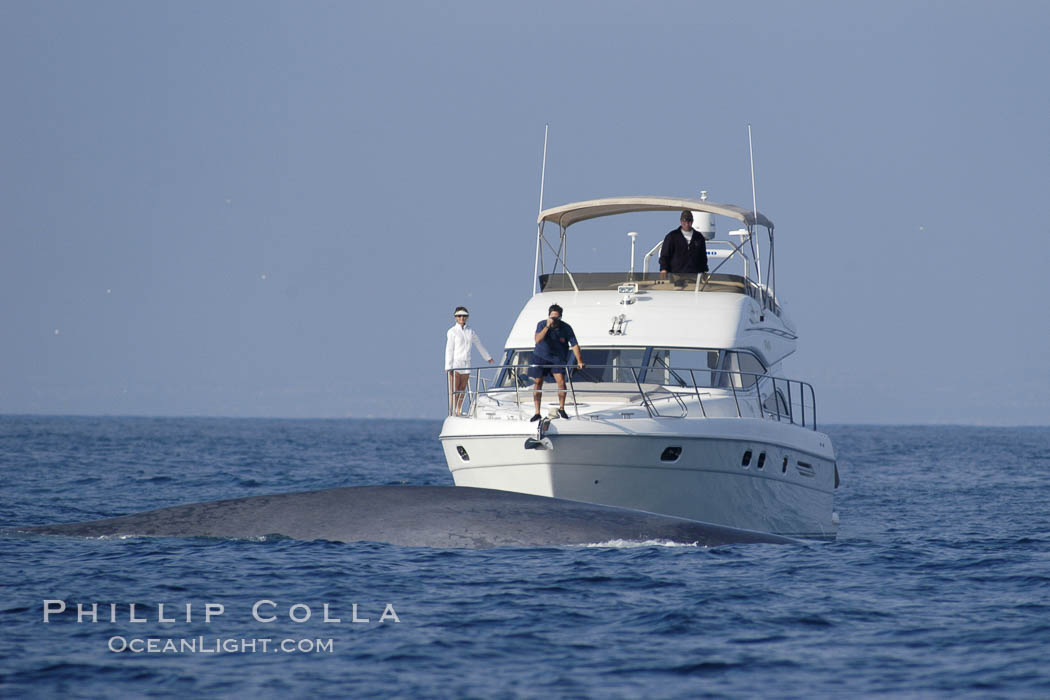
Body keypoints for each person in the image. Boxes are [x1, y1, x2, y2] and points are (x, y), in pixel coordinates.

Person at [528, 304, 585, 421]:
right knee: (538, 382)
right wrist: (547, 327)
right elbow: (538, 340)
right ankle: (537, 412)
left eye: (557, 318)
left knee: (561, 382)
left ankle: (562, 408)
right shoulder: (542, 324)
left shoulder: (566, 328)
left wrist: (579, 361)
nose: (554, 320)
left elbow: (574, 345)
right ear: (549, 316)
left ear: (560, 317)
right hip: (540, 356)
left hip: (557, 358)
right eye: (552, 317)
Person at [445, 306, 493, 415]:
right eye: (459, 316)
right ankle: (452, 410)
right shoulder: (452, 331)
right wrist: (448, 366)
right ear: (455, 317)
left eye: (464, 316)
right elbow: (449, 349)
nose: (462, 318)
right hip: (456, 363)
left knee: (462, 388)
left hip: (466, 363)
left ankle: (458, 409)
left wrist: (487, 357)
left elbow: (478, 344)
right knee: (455, 389)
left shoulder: (470, 331)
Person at [659, 210, 709, 279]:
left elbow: (703, 257)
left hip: (695, 277)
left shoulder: (699, 237)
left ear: (692, 221)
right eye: (684, 221)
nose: (687, 224)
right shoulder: (672, 236)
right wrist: (663, 269)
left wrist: (704, 271)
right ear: (681, 221)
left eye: (689, 221)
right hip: (676, 275)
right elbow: (665, 255)